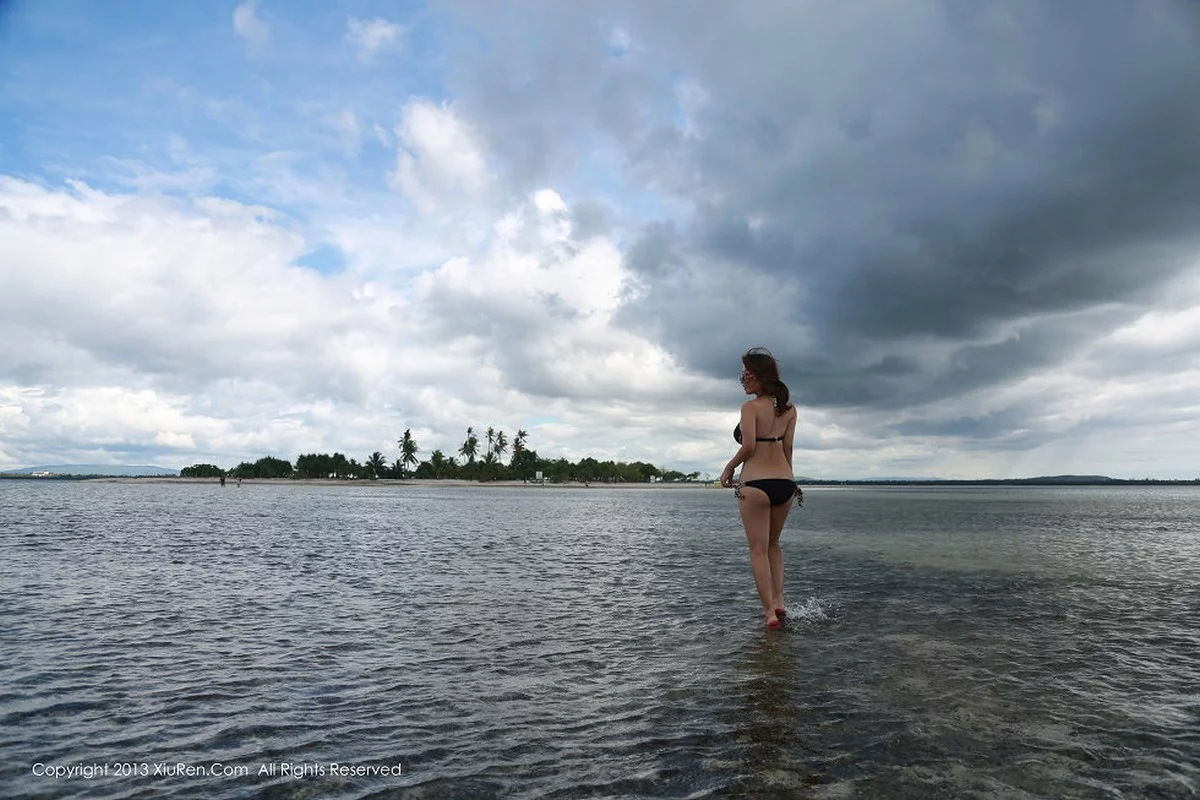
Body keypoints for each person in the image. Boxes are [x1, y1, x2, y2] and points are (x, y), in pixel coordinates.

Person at [720, 347, 801, 630]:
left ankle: (769, 614)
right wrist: (790, 480)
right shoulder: (790, 410)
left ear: (759, 376)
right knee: (773, 545)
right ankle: (779, 601)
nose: (743, 380)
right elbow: (788, 449)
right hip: (785, 483)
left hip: (755, 484)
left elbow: (749, 446)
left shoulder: (750, 408)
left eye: (747, 374)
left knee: (757, 550)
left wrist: (729, 468)